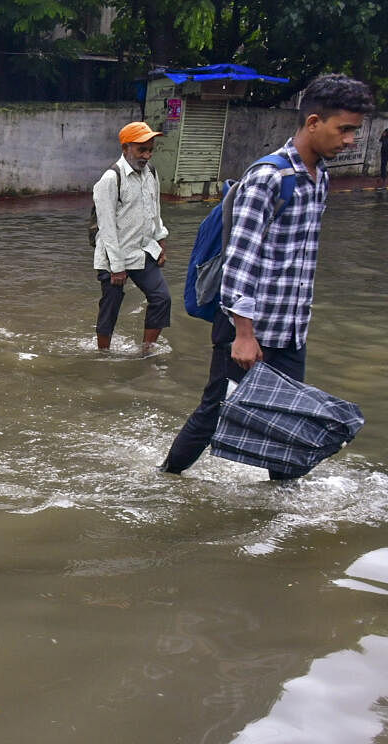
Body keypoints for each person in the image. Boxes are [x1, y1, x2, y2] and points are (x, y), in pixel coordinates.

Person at [161, 73, 374, 478]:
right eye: (344, 129)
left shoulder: (319, 179)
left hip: (290, 329)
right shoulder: (269, 178)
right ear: (313, 122)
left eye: (354, 131)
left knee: (289, 424)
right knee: (214, 412)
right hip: (248, 330)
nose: (350, 140)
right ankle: (166, 480)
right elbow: (241, 260)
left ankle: (278, 518)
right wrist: (244, 333)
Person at [92, 121, 171, 354]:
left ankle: (147, 351)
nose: (146, 155)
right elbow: (106, 228)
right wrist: (117, 268)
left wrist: (161, 241)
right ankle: (103, 355)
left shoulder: (151, 173)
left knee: (162, 298)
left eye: (150, 149)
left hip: (143, 250)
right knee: (111, 306)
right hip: (114, 254)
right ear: (126, 148)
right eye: (141, 149)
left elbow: (155, 211)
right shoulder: (110, 180)